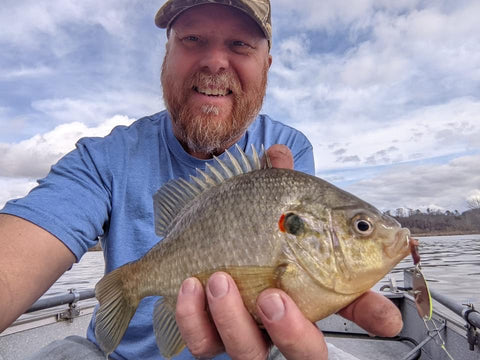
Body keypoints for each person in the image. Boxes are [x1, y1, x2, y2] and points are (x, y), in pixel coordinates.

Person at [0, 1, 404, 359]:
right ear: (166, 54)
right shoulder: (102, 158)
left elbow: (292, 279)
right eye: (192, 38)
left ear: (267, 64)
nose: (214, 61)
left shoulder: (287, 148)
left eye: (240, 44)